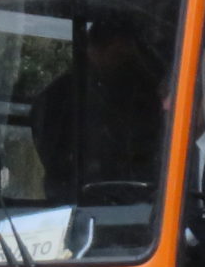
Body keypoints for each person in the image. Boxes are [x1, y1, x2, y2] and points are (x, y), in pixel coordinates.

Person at [29, 14, 167, 200]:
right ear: (95, 48)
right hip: (79, 195)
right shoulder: (63, 95)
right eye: (119, 55)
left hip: (137, 197)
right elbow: (55, 156)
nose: (125, 65)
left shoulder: (136, 88)